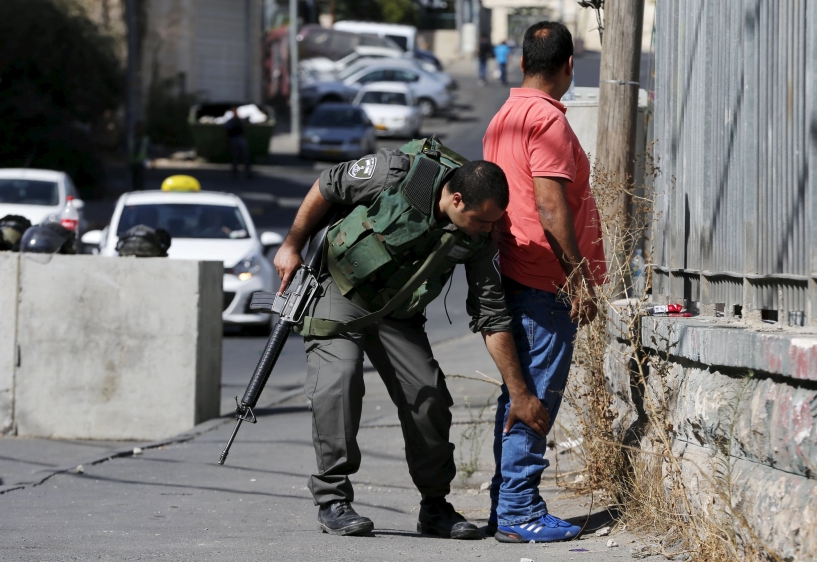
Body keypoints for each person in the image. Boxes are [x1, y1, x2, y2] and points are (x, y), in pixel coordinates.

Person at [273, 140, 528, 540]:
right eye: (482, 221)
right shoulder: (394, 172)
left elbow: (491, 314)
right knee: (339, 382)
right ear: (457, 199)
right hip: (340, 291)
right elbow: (326, 185)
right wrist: (292, 245)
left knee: (428, 397)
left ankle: (435, 507)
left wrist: (519, 392)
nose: (489, 230)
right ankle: (333, 500)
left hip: (398, 311)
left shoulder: (479, 237)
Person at [482, 21, 606, 543]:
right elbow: (550, 205)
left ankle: (505, 504)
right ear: (569, 66)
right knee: (535, 399)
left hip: (514, 270)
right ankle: (518, 511)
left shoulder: (503, 117)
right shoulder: (546, 120)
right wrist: (580, 278)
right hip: (544, 281)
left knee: (518, 395)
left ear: (521, 62)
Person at [226, 106, 251, 179]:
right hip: (234, 139)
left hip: (240, 139)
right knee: (235, 156)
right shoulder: (230, 121)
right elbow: (228, 130)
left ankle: (247, 171)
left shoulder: (239, 120)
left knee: (245, 156)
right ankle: (235, 172)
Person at [128, 122, 150, 191]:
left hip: (141, 163)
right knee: (133, 180)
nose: (139, 130)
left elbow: (149, 150)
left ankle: (140, 191)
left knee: (141, 180)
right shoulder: (131, 138)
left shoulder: (145, 139)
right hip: (132, 162)